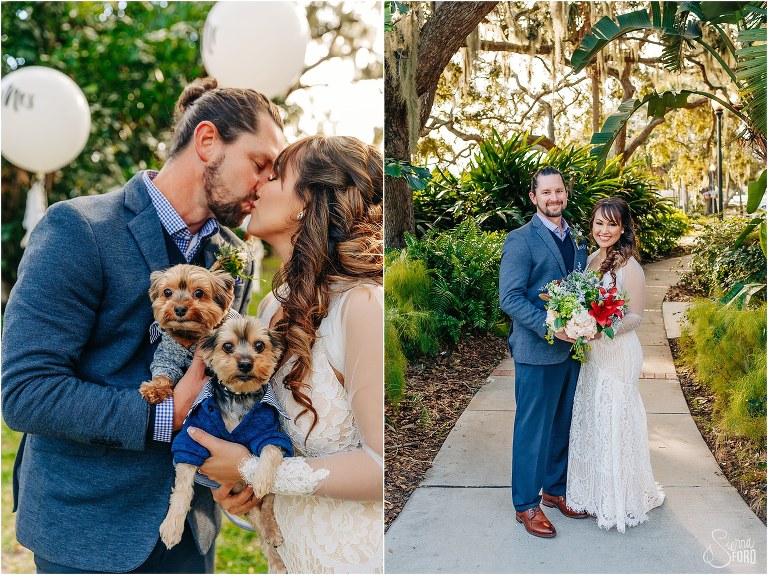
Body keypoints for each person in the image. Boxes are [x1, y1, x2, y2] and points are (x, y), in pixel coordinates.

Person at [1, 77, 284, 573]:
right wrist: (163, 416)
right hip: (88, 531)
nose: (266, 184)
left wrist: (237, 467)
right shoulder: (78, 229)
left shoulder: (235, 257)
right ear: (207, 141)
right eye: (260, 164)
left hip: (190, 529)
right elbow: (27, 392)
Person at [185, 135, 384, 573]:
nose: (257, 186)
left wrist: (255, 469)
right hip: (292, 554)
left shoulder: (362, 306)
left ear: (306, 201)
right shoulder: (272, 307)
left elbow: (382, 466)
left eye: (274, 177)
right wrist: (246, 484)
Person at [498, 166, 590, 539]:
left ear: (566, 194)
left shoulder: (577, 239)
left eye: (559, 192)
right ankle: (526, 504)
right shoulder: (521, 240)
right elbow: (510, 298)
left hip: (573, 352)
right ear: (534, 198)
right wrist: (553, 326)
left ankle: (555, 490)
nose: (554, 198)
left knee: (563, 424)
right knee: (532, 429)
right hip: (537, 351)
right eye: (546, 193)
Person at [566, 197, 665, 532]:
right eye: (599, 223)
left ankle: (619, 498)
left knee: (614, 417)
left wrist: (601, 328)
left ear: (622, 229)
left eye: (611, 224)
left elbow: (635, 316)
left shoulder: (629, 267)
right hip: (594, 354)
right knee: (595, 418)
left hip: (618, 352)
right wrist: (578, 324)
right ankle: (595, 495)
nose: (604, 230)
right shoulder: (592, 258)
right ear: (591, 224)